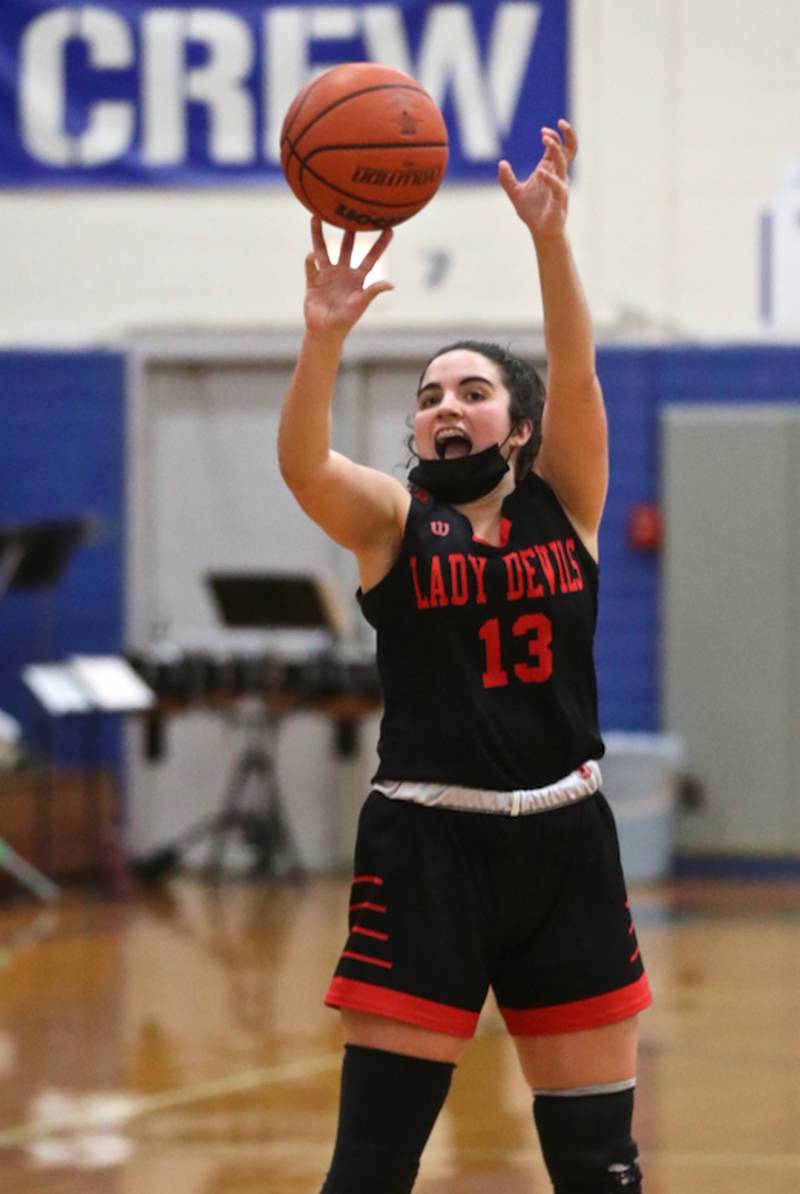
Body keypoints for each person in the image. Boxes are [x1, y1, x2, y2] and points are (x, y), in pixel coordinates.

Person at [277, 120, 651, 1194]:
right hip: (425, 848)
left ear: (518, 427)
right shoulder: (391, 522)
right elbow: (305, 466)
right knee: (371, 1170)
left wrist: (549, 238)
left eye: (472, 391)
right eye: (429, 395)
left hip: (565, 846)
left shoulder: (565, 509)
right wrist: (322, 338)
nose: (445, 406)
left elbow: (573, 370)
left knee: (599, 1166)